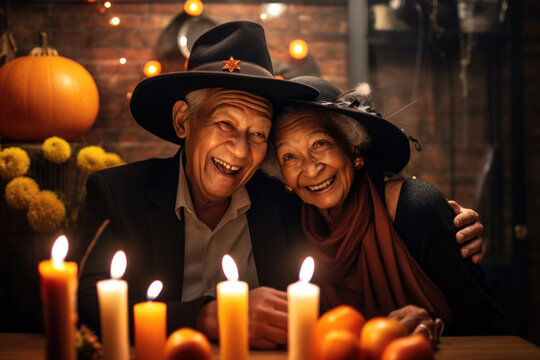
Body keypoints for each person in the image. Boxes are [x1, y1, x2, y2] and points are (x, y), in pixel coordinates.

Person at [77, 21, 486, 349]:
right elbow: (83, 301)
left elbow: (356, 211)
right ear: (184, 121)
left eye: (258, 135)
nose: (239, 152)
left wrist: (438, 216)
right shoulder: (118, 194)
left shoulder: (284, 200)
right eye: (224, 124)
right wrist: (206, 315)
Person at [261, 75, 512, 339]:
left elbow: (492, 333)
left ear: (352, 146)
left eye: (320, 144)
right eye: (289, 156)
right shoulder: (285, 226)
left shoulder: (416, 208)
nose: (311, 169)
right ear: (280, 172)